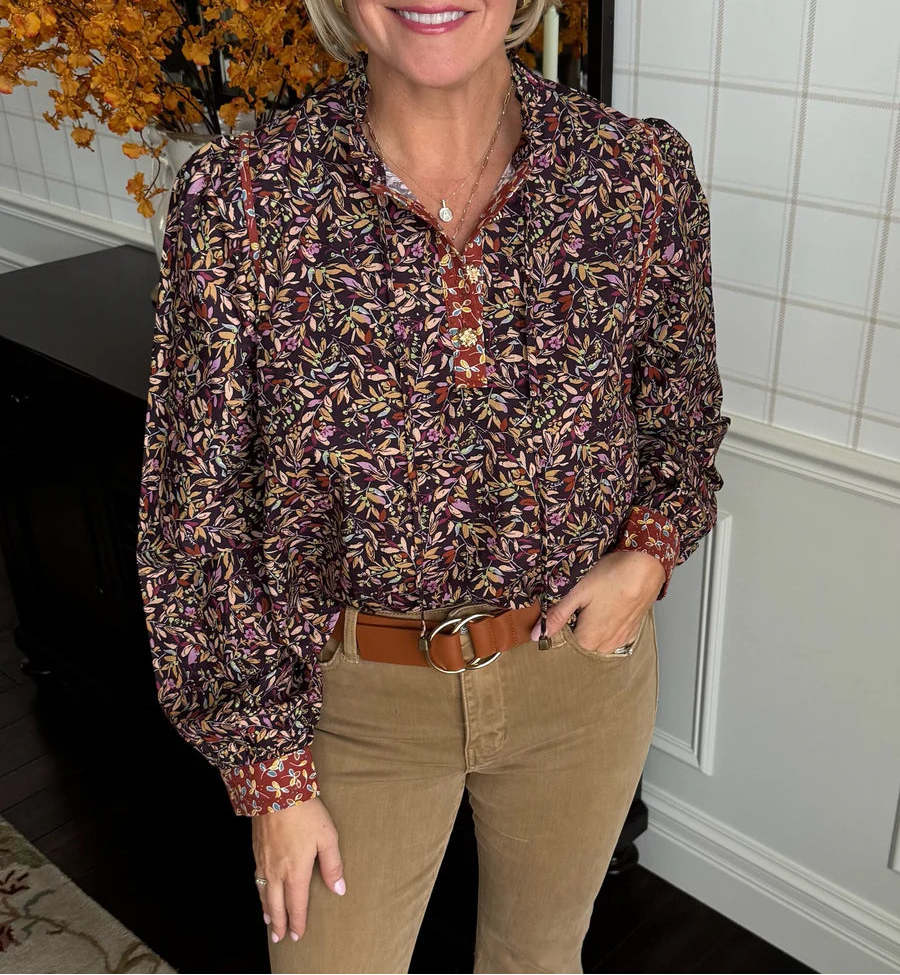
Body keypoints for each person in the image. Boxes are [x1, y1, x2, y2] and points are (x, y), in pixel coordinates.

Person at [135, 0, 731, 972]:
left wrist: (651, 554)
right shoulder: (242, 198)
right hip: (350, 702)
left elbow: (682, 409)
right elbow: (193, 511)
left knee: (539, 961)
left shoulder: (636, 174)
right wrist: (270, 770)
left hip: (576, 678)